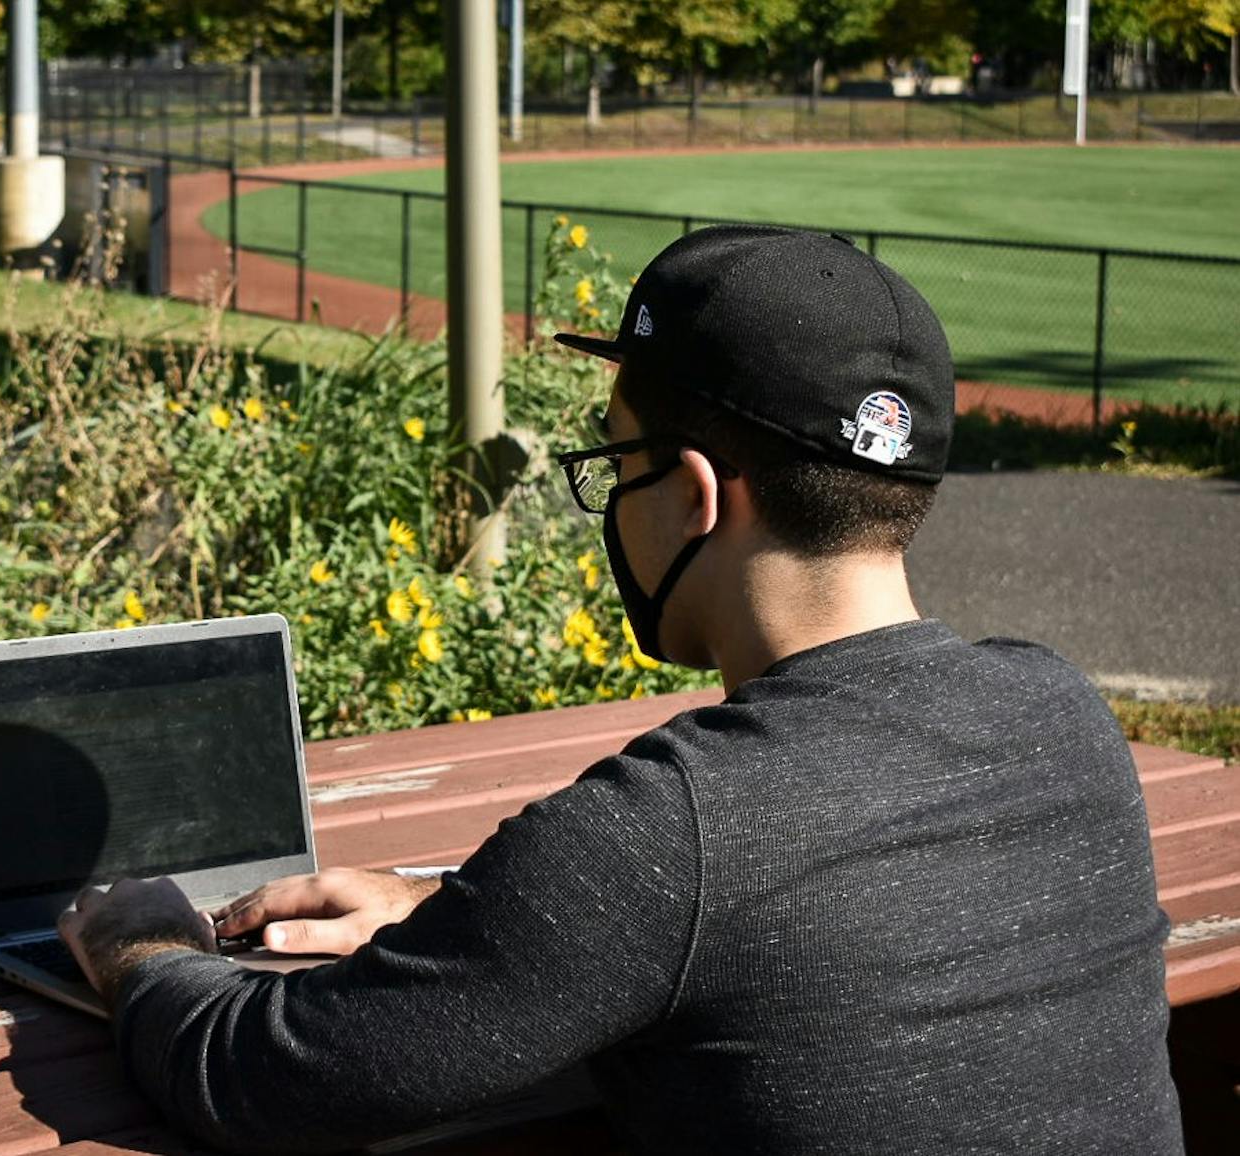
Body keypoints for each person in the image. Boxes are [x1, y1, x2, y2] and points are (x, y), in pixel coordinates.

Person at [58, 226, 1182, 1154]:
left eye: (613, 462)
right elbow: (820, 924)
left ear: (694, 495)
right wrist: (479, 927)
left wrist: (143, 939)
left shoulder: (665, 838)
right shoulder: (1061, 713)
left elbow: (252, 1076)